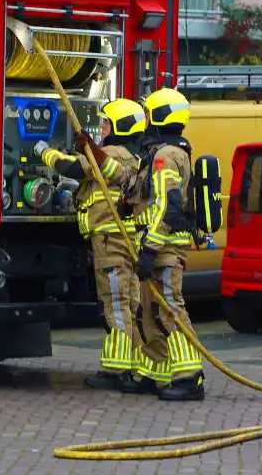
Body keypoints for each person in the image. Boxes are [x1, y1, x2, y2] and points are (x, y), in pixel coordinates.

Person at [86, 86, 204, 401]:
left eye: (150, 114)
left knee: (168, 310)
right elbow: (130, 183)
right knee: (150, 313)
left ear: (161, 118)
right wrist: (97, 154)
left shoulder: (166, 157)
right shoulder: (159, 154)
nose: (145, 121)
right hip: (154, 248)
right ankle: (156, 371)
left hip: (164, 249)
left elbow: (169, 206)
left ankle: (189, 375)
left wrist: (150, 250)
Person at [34, 99, 146, 392]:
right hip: (127, 240)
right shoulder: (137, 157)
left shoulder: (111, 153)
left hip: (110, 241)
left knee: (115, 303)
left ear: (120, 126)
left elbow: (71, 167)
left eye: (107, 122)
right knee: (130, 302)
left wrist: (44, 151)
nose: (103, 127)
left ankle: (119, 369)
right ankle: (127, 363)